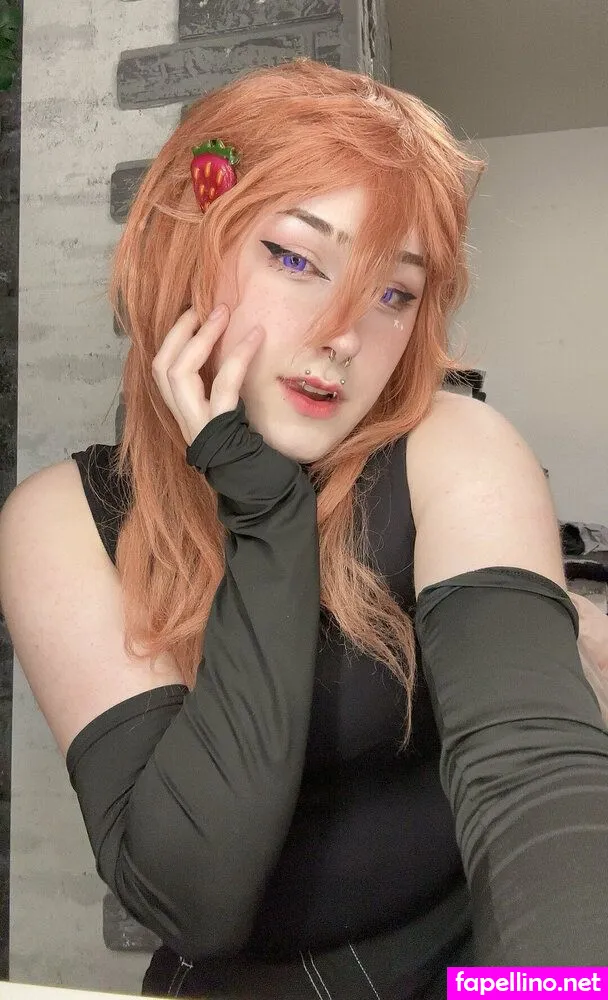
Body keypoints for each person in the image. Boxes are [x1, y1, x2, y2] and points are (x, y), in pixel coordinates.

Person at [1, 57, 607, 999]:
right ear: (188, 246)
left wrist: (548, 988)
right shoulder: (60, 523)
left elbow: (532, 775)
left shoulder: (450, 447)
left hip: (476, 965)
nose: (344, 333)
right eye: (296, 258)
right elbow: (191, 898)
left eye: (393, 292)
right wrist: (266, 515)